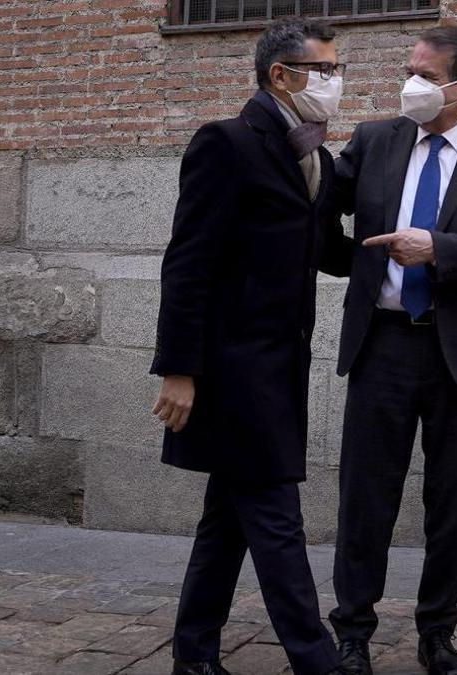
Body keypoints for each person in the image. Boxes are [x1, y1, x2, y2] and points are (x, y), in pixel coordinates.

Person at [327, 25, 457, 675]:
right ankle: (353, 632)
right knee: (366, 496)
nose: (409, 83)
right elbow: (321, 201)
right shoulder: (375, 139)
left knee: (454, 501)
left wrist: (438, 249)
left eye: (423, 73)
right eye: (409, 69)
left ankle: (437, 631)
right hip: (382, 342)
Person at [150, 17, 352, 675]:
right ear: (280, 76)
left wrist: (395, 255)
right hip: (234, 372)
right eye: (322, 70)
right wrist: (178, 368)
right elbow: (188, 262)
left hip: (281, 366)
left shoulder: (312, 154)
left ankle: (193, 655)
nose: (334, 81)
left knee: (226, 522)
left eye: (335, 68)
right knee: (275, 520)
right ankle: (316, 661)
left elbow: (323, 251)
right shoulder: (227, 144)